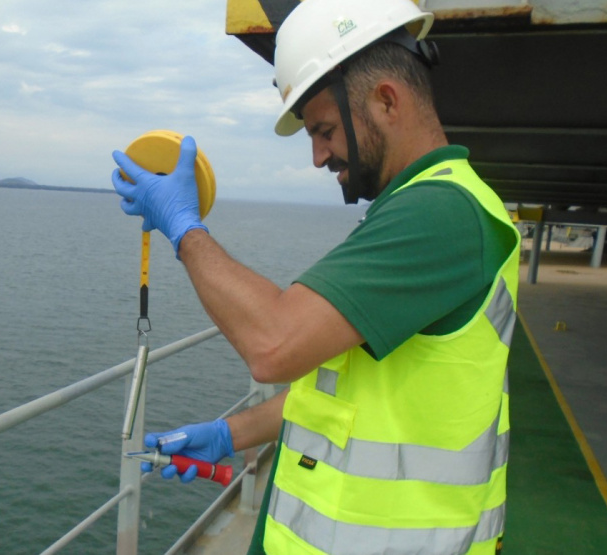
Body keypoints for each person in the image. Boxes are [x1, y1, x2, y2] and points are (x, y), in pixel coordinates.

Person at [110, 0, 521, 553]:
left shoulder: (442, 214)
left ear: (386, 100)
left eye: (323, 130)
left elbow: (273, 344)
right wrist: (229, 434)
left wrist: (184, 229)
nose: (317, 156)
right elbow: (346, 401)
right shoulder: (413, 209)